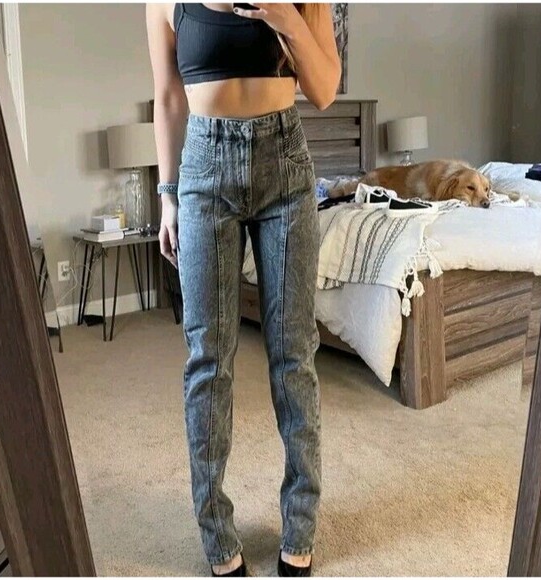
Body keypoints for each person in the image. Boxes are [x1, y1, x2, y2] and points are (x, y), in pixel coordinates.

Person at [146, 3, 341, 576]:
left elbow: (324, 91)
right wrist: (167, 196)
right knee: (208, 358)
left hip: (286, 163)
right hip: (204, 169)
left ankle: (300, 524)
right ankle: (216, 534)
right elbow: (168, 98)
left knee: (294, 355)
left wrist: (284, 16)